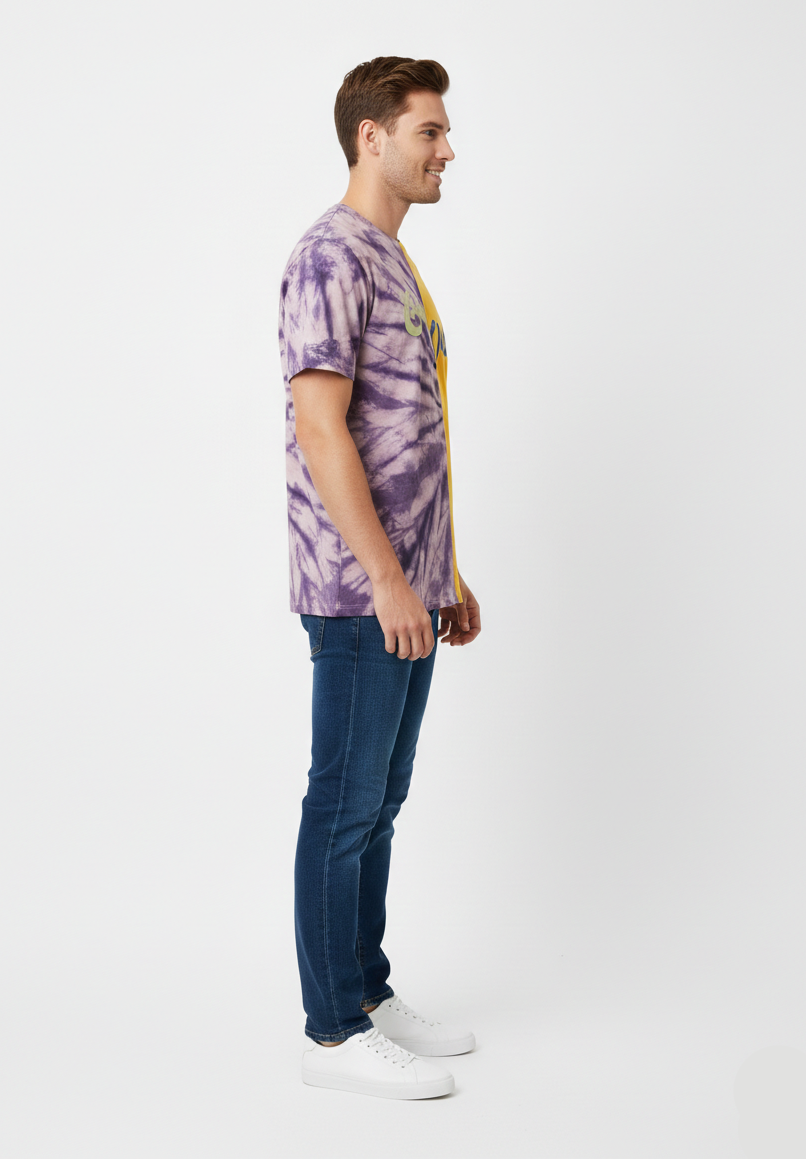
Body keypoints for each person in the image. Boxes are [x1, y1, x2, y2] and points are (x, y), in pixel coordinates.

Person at [277, 56, 481, 1100]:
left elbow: (411, 430)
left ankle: (366, 987)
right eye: (429, 131)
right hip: (361, 593)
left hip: (409, 585)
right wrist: (390, 579)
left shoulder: (392, 259)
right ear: (373, 136)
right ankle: (332, 1033)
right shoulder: (329, 255)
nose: (447, 150)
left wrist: (445, 572)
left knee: (381, 800)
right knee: (344, 802)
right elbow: (323, 431)